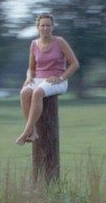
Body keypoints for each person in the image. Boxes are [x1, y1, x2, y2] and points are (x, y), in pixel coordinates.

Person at [16, 13, 79, 145]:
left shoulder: (60, 42)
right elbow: (31, 68)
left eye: (48, 25)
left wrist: (61, 78)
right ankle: (33, 132)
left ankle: (25, 132)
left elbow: (74, 64)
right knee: (24, 92)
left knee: (37, 93)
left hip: (56, 80)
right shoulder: (34, 44)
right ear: (38, 27)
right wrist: (28, 78)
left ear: (52, 27)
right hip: (38, 79)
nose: (45, 28)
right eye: (43, 25)